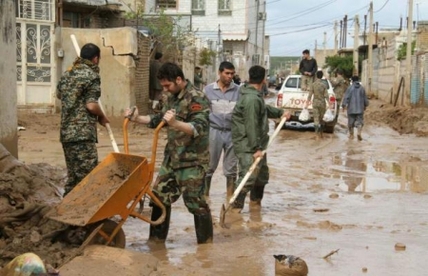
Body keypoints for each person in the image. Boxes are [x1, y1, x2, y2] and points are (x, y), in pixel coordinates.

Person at [125, 62, 213, 244]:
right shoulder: (168, 97)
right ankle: (156, 243)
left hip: (193, 161)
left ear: (179, 80)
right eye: (163, 86)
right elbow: (158, 119)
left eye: (167, 85)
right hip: (172, 158)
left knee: (196, 203)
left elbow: (200, 128)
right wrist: (137, 118)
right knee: (158, 196)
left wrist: (175, 124)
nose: (164, 89)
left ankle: (205, 248)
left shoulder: (197, 98)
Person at [231, 65, 290, 211]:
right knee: (248, 177)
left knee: (261, 177)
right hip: (248, 145)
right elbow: (251, 125)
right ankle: (234, 209)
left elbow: (263, 110)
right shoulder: (251, 98)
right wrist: (256, 148)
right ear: (264, 79)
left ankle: (255, 209)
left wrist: (280, 112)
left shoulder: (254, 96)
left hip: (258, 145)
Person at [56, 43, 110, 196]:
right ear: (95, 59)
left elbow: (60, 95)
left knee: (73, 177)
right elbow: (92, 106)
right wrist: (101, 116)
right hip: (82, 134)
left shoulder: (68, 73)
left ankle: (66, 212)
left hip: (66, 133)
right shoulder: (92, 76)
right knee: (87, 177)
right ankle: (85, 215)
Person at [203, 61, 240, 198]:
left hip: (232, 132)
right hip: (214, 131)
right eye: (227, 73)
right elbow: (202, 113)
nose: (230, 76)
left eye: (232, 74)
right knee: (209, 166)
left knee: (231, 169)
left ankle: (230, 198)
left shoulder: (238, 91)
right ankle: (205, 197)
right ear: (219, 73)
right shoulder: (208, 90)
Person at [342, 75, 369, 141]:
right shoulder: (362, 88)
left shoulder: (350, 88)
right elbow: (365, 98)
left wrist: (343, 105)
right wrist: (365, 105)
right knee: (359, 121)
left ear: (352, 81)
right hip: (360, 109)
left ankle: (351, 135)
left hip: (351, 109)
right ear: (358, 80)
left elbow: (346, 97)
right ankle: (359, 133)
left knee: (350, 122)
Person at [305, 70, 329, 139]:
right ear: (322, 76)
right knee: (322, 119)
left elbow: (310, 95)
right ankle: (321, 134)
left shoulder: (313, 84)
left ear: (316, 76)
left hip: (315, 103)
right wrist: (329, 104)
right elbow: (326, 95)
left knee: (316, 119)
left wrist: (307, 104)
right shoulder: (324, 85)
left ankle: (316, 135)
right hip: (322, 103)